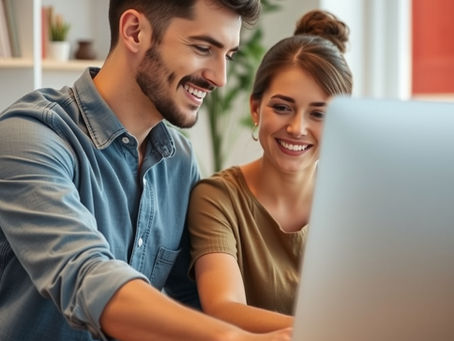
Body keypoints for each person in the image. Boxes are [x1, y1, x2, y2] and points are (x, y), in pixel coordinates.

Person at [0, 1, 292, 340]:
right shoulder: (30, 137)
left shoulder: (178, 160)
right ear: (134, 32)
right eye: (203, 48)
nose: (220, 78)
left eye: (227, 56)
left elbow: (207, 303)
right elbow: (87, 278)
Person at [187, 9, 353, 333]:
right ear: (255, 108)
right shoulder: (217, 199)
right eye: (282, 107)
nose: (296, 127)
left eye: (318, 114)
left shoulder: (354, 204)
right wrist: (330, 332)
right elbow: (223, 308)